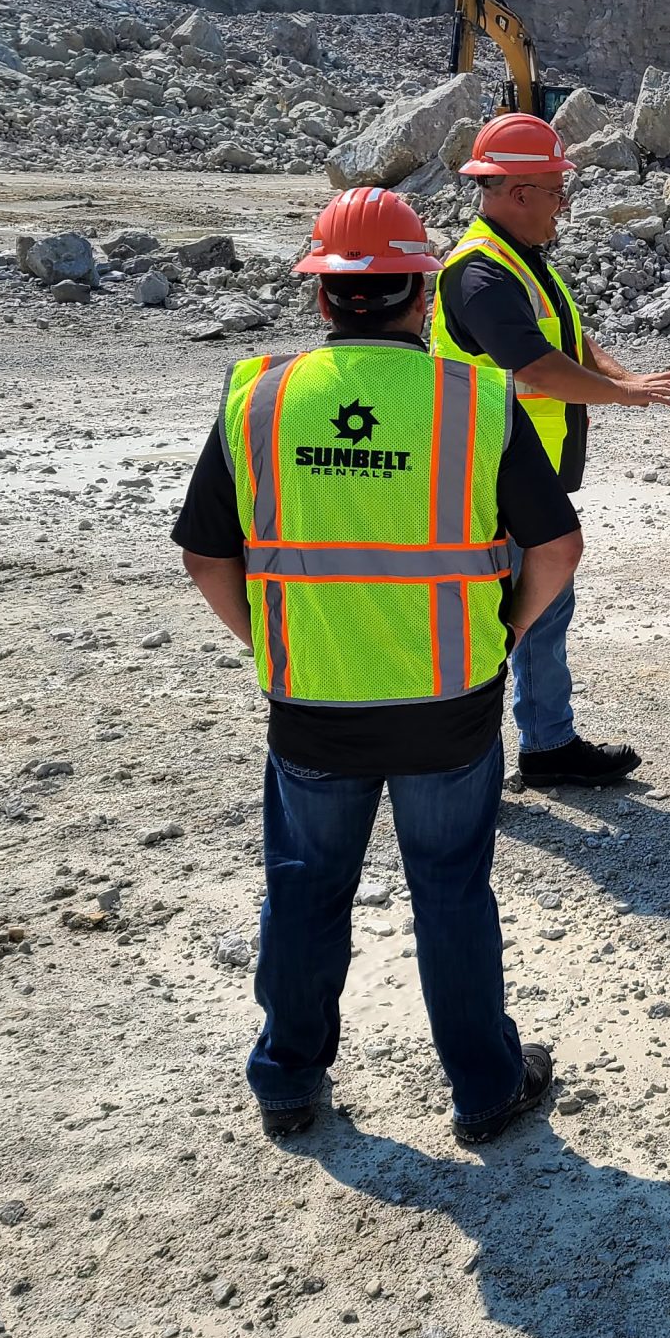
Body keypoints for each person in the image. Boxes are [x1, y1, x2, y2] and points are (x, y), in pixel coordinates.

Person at [171, 186, 583, 1143]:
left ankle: (287, 1079)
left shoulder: (260, 397)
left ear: (322, 296)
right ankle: (484, 1088)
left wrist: (272, 642)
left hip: (313, 701)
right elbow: (556, 550)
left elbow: (204, 555)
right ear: (421, 294)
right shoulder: (474, 401)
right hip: (451, 701)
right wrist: (504, 639)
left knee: (307, 885)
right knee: (450, 888)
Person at [429, 111, 670, 789]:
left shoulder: (520, 263)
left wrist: (622, 377)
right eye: (555, 191)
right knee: (500, 622)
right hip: (492, 480)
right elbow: (538, 369)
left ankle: (546, 745)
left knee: (542, 613)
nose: (563, 206)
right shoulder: (480, 275)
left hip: (529, 478)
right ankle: (466, 756)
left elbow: (567, 343)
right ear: (516, 191)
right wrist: (628, 398)